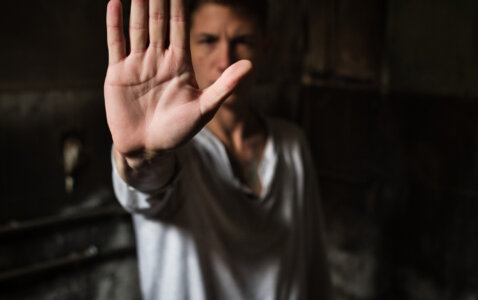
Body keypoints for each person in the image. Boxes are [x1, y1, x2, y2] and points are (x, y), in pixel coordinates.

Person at [104, 0, 331, 298]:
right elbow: (145, 183)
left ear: (266, 49)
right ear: (184, 46)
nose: (225, 59)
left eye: (243, 41)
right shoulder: (175, 151)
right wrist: (143, 155)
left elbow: (313, 260)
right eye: (208, 41)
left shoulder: (291, 144)